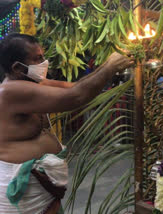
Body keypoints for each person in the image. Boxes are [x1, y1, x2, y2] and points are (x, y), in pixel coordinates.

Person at [0, 33, 134, 214]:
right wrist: (109, 67)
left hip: (40, 193)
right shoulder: (11, 91)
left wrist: (106, 70)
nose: (44, 62)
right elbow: (76, 97)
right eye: (38, 59)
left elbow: (75, 87)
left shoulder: (35, 83)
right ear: (17, 68)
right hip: (19, 197)